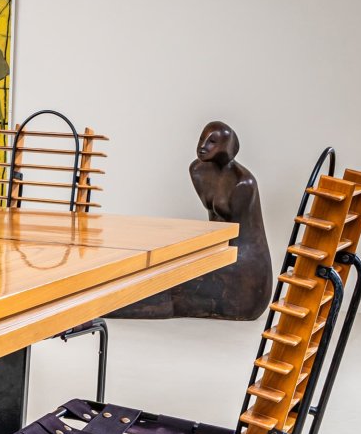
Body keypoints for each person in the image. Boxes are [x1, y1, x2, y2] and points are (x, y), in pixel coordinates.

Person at [113, 120, 272, 320]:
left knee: (172, 287)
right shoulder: (198, 170)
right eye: (201, 139)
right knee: (156, 270)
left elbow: (237, 236)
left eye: (212, 142)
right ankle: (103, 305)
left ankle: (106, 309)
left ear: (227, 147)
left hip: (243, 270)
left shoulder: (243, 183)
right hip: (217, 252)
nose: (202, 147)